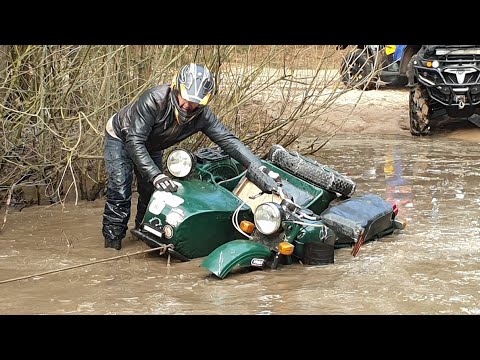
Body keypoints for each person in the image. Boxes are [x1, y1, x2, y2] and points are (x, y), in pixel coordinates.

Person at [102, 63, 280, 250]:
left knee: (150, 191)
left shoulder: (202, 116)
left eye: (195, 103)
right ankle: (112, 244)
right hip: (121, 137)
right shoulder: (153, 100)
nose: (187, 106)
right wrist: (156, 175)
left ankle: (144, 232)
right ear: (176, 89)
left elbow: (228, 140)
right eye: (184, 99)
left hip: (153, 143)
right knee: (120, 190)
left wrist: (258, 167)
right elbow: (134, 141)